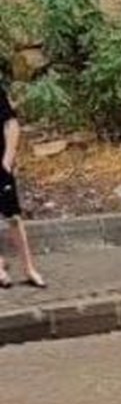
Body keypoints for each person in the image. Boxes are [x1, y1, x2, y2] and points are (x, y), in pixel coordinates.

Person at [0, 83, 45, 289]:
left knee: (14, 217)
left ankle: (29, 269)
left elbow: (12, 125)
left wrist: (7, 161)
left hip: (1, 165)